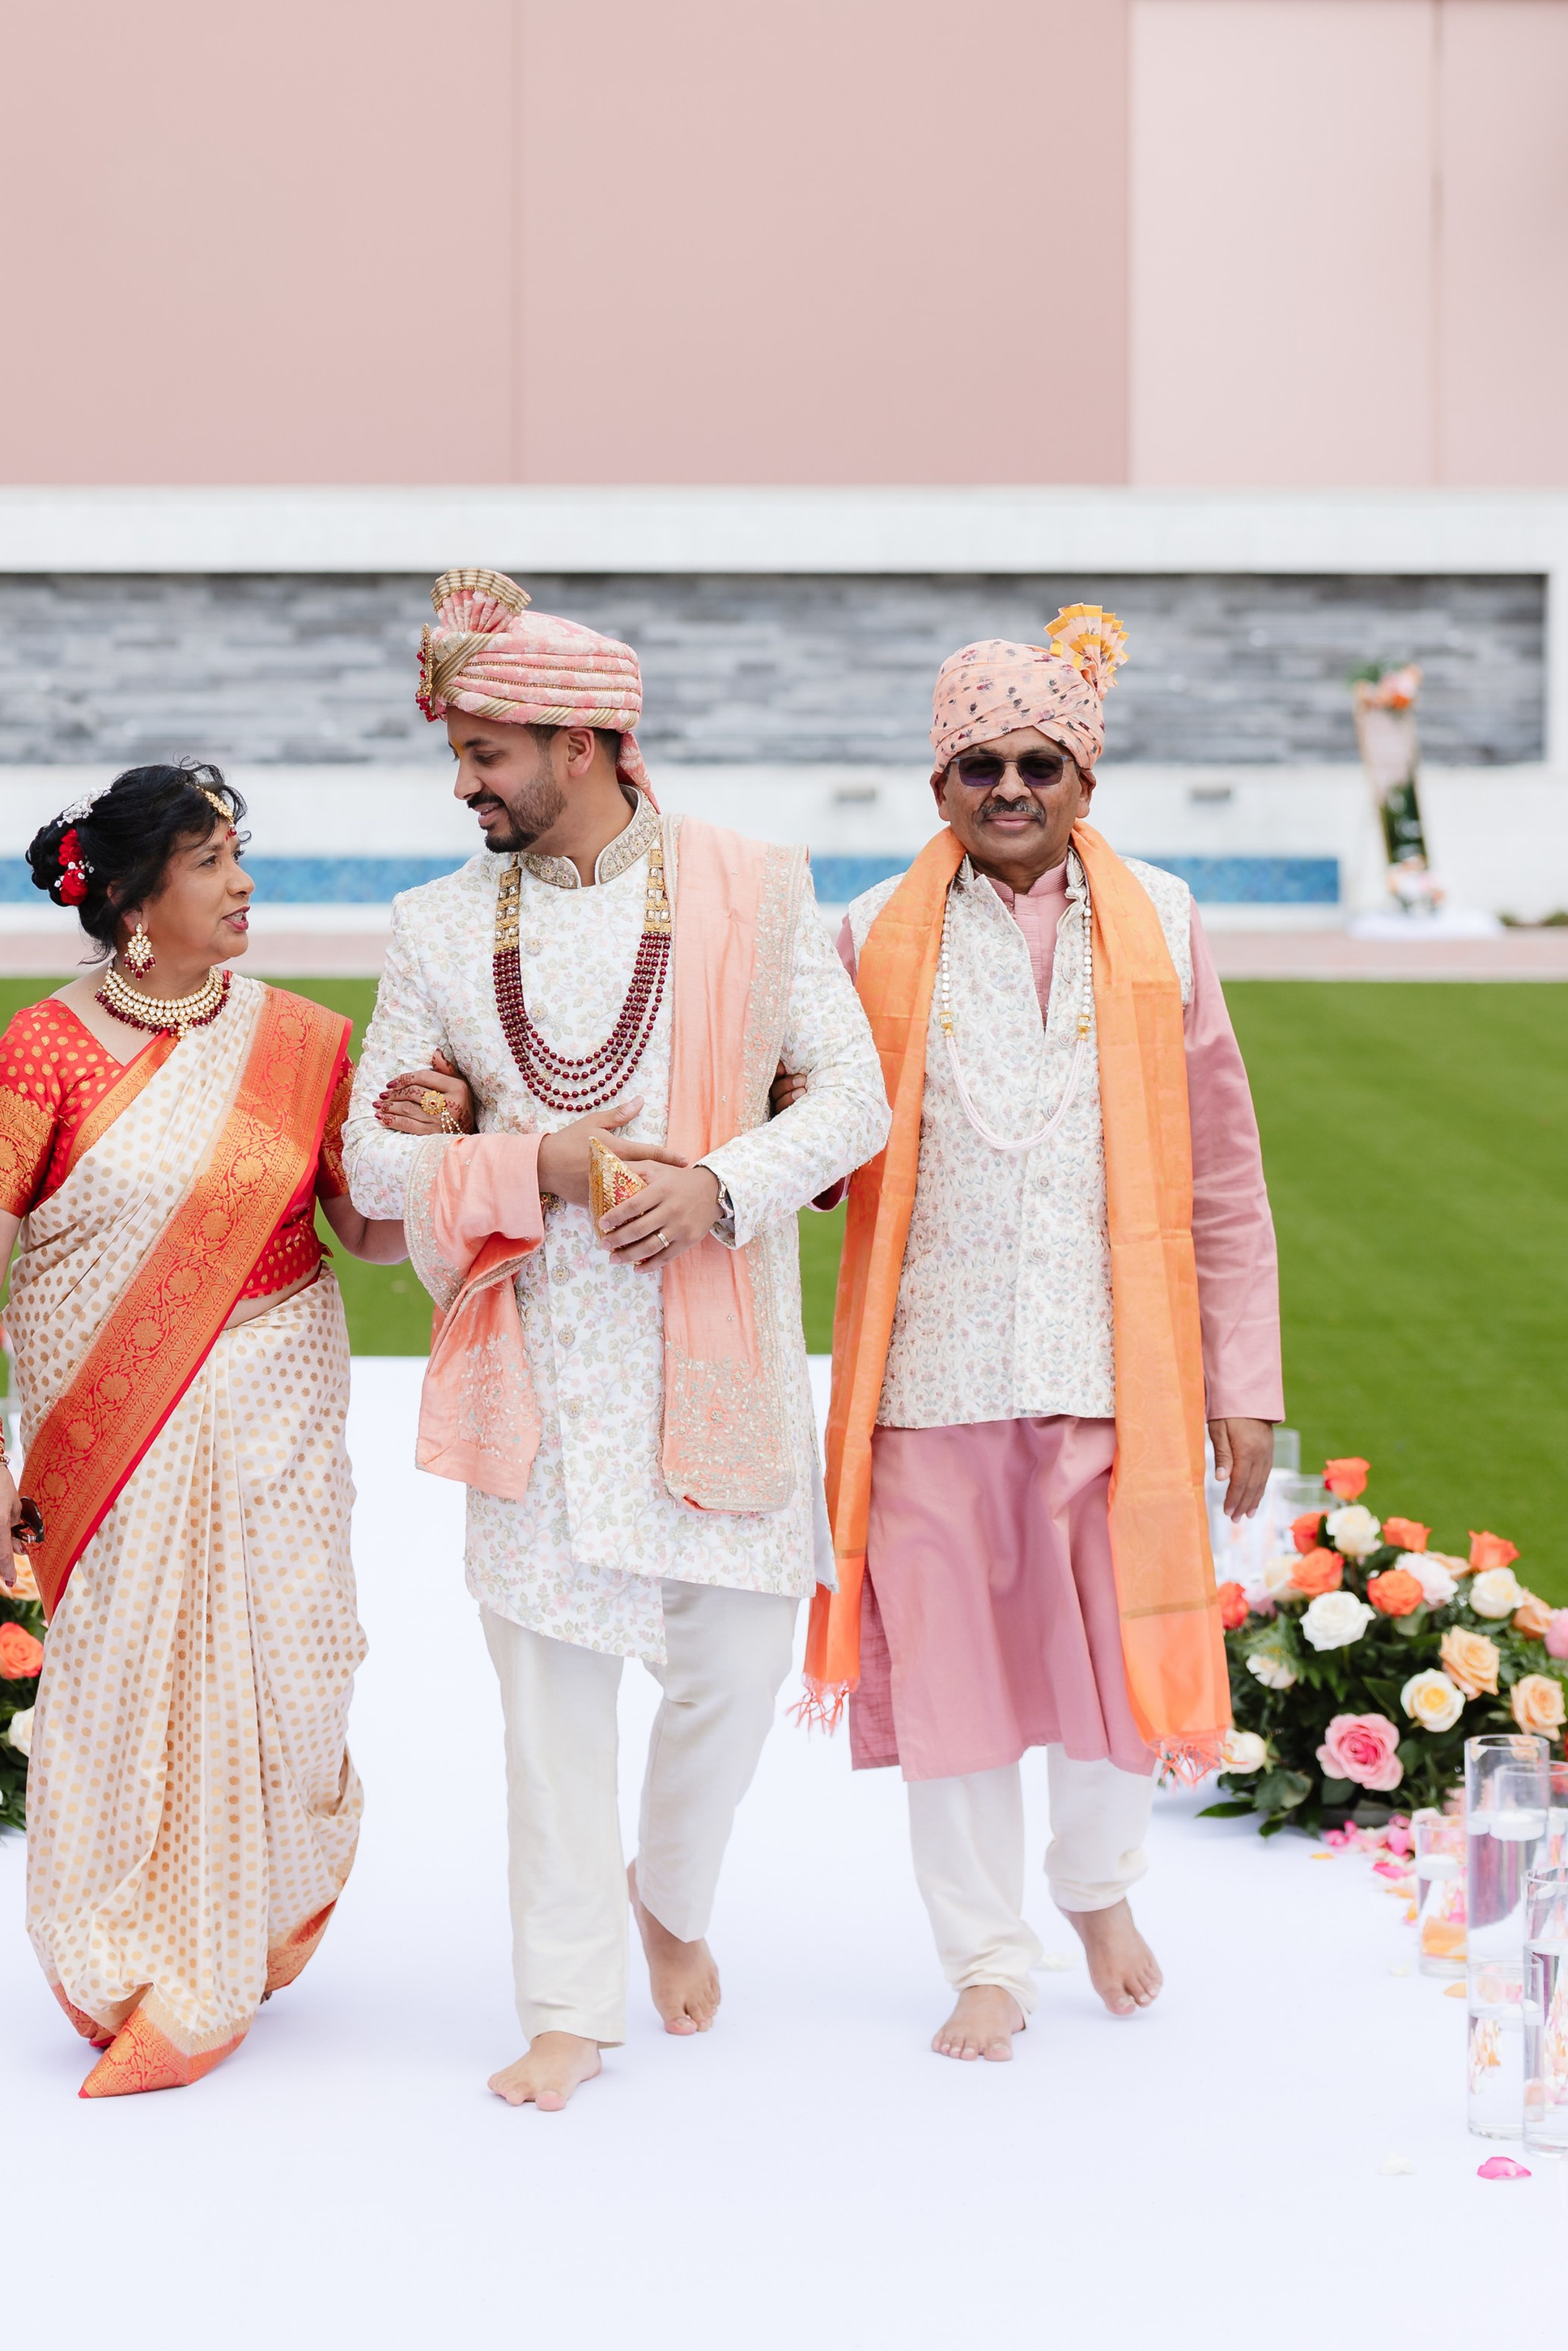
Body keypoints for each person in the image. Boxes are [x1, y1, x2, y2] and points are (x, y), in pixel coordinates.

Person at [345, 569, 890, 2113]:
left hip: (716, 1347)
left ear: (577, 745)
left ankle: (672, 1892)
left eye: (485, 755)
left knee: (739, 1668)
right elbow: (373, 1165)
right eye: (460, 754)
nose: (465, 785)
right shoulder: (439, 927)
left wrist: (720, 1186)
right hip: (537, 1365)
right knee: (550, 1712)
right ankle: (570, 2008)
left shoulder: (755, 887)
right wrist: (539, 1164)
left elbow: (851, 1096)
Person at [800, 608, 1281, 2062]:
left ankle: (1096, 1887)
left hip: (1112, 1366)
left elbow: (1222, 1169)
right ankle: (985, 1957)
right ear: (938, 783)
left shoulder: (1166, 923)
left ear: (1086, 780)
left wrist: (1243, 1381)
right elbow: (807, 1131)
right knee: (950, 1677)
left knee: (1115, 1664)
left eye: (1039, 765)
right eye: (980, 767)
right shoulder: (866, 932)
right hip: (926, 1373)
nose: (1009, 791)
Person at [0, 760, 406, 2097]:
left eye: (240, 854)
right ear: (137, 903)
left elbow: (365, 1232)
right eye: (210, 862)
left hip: (282, 1410)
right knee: (129, 1686)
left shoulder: (302, 1042)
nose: (244, 882)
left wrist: (444, 1145)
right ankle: (140, 1962)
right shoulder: (42, 1049)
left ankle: (248, 1925)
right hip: (118, 1430)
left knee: (298, 1672)